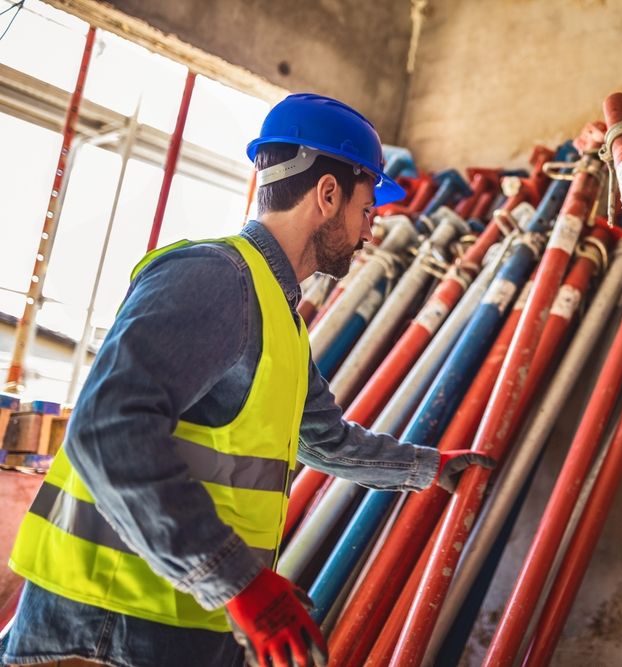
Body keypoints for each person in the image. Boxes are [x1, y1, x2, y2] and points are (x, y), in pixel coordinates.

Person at [3, 94, 492, 667]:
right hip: (106, 621)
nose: (368, 233)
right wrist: (239, 581)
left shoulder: (275, 309)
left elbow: (324, 439)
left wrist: (428, 469)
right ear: (327, 195)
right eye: (367, 210)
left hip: (181, 616)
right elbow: (107, 429)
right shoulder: (217, 277)